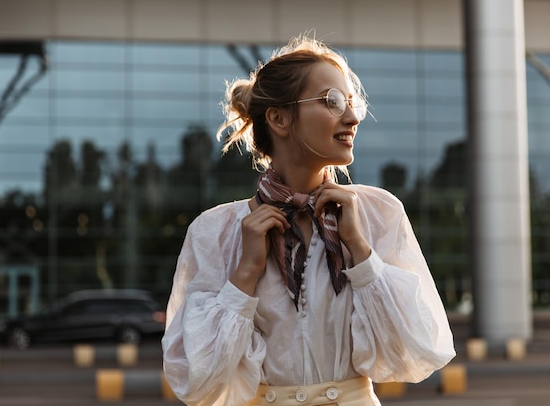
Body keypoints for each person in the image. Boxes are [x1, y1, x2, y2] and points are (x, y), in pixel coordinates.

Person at [162, 34, 456, 406]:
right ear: (279, 118)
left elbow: (417, 352)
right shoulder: (215, 232)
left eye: (353, 103)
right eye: (332, 102)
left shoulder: (378, 213)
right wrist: (245, 273)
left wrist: (362, 254)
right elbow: (194, 379)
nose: (352, 117)